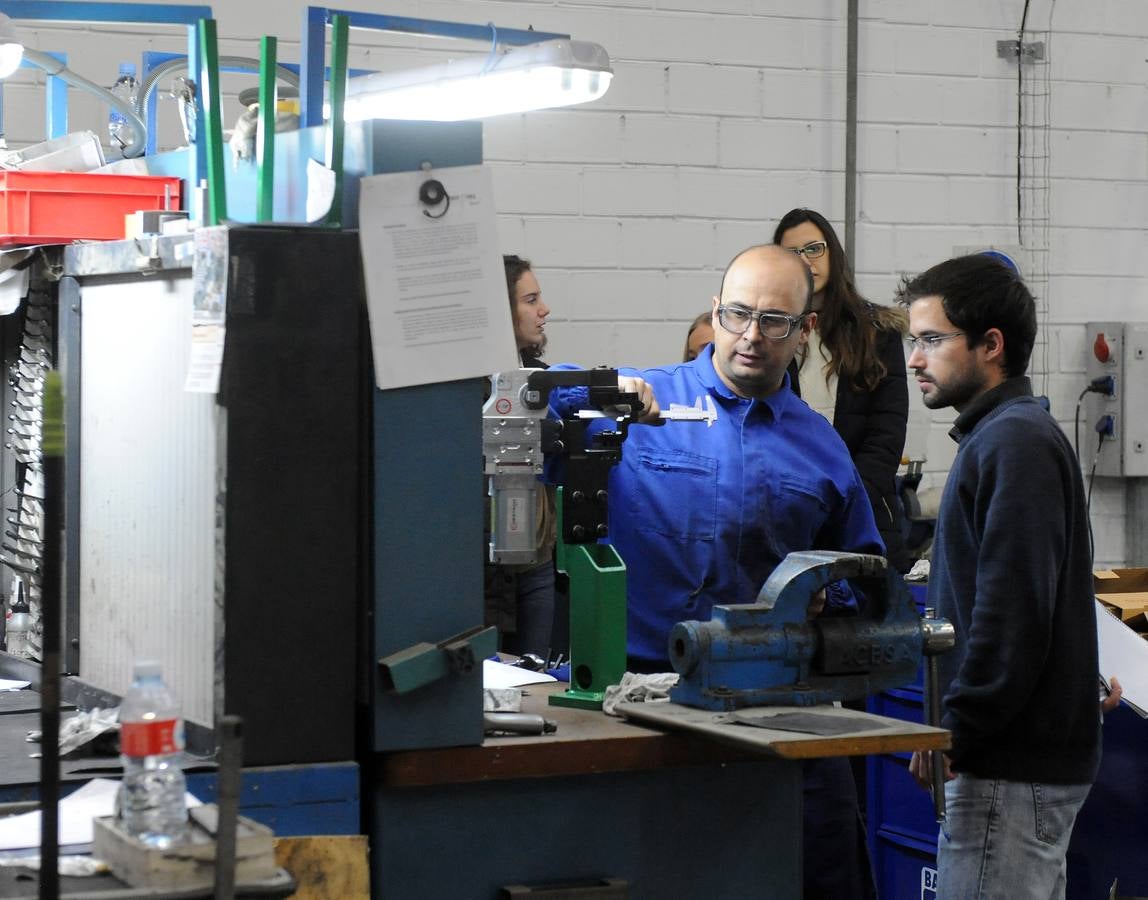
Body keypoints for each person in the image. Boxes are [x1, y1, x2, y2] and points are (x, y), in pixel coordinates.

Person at [550, 244, 884, 900]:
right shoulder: (638, 406)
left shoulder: (822, 450)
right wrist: (591, 388)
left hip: (772, 706)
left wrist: (827, 598)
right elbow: (524, 397)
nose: (751, 336)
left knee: (826, 866)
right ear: (715, 310)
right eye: (737, 315)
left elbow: (869, 585)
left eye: (774, 321)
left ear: (805, 332)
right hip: (635, 703)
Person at [899, 254, 1101, 900]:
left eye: (932, 340)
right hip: (1006, 767)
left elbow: (1010, 619)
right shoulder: (1004, 439)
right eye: (913, 340)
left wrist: (956, 730)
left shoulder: (1014, 443)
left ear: (992, 346)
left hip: (1006, 775)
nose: (914, 359)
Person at [774, 208, 911, 572]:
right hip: (791, 516)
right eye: (792, 253)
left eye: (814, 249)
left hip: (868, 514)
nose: (805, 260)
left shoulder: (876, 332)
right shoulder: (772, 333)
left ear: (833, 253)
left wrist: (845, 504)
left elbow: (886, 435)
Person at [484, 255, 557, 656]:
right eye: (530, 300)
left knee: (537, 683)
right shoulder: (464, 389)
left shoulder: (542, 379)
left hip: (536, 565)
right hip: (484, 578)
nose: (543, 310)